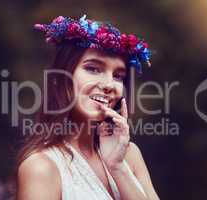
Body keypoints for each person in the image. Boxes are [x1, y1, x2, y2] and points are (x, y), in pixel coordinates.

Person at [16, 15, 159, 200]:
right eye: (93, 69)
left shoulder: (129, 155)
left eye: (118, 76)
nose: (109, 84)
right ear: (62, 78)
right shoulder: (42, 168)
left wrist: (118, 167)